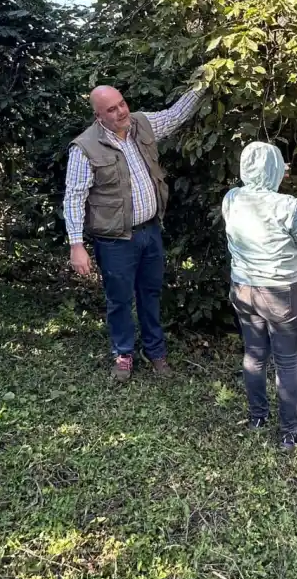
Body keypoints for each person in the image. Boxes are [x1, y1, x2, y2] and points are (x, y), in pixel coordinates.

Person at [64, 83, 205, 382]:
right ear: (98, 115)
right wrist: (76, 245)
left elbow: (175, 115)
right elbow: (74, 197)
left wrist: (205, 82)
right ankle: (123, 353)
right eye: (111, 109)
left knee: (151, 294)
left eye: (122, 103)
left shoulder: (141, 123)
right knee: (119, 299)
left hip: (150, 231)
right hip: (115, 241)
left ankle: (155, 352)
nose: (121, 111)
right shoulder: (84, 147)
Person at [222, 142, 297, 451]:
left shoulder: (232, 198)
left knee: (254, 354)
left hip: (243, 288)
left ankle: (257, 417)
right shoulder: (288, 206)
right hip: (280, 292)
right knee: (287, 361)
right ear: (277, 170)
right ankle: (289, 433)